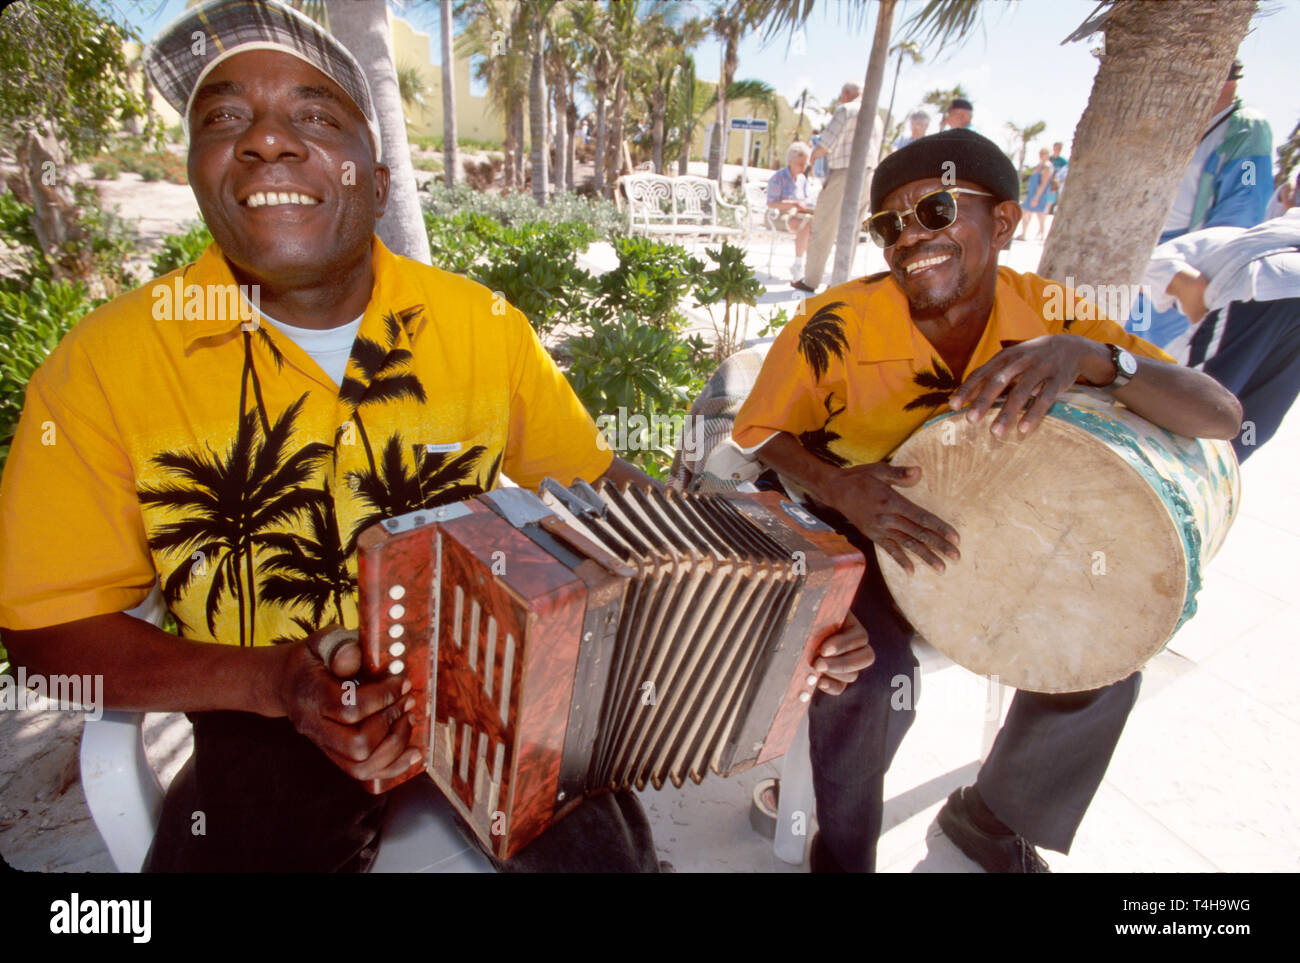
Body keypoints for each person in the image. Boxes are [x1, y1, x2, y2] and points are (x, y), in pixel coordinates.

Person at [0, 0, 671, 874]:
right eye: (225, 118)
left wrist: (761, 551)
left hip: (495, 691)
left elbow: (592, 477)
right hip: (261, 718)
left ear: (378, 178)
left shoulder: (484, 327)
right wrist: (271, 683)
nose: (267, 140)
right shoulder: (104, 365)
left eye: (315, 116)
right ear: (200, 171)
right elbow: (46, 637)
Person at [731, 129, 1242, 873]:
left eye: (935, 210)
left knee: (1110, 650)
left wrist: (1096, 360)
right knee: (861, 673)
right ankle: (838, 854)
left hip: (998, 527)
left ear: (1002, 223)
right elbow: (755, 437)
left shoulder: (1052, 313)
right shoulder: (832, 326)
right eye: (890, 226)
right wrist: (841, 485)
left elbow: (1220, 415)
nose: (911, 238)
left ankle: (990, 821)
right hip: (857, 521)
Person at [1142, 184, 1300, 462]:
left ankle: (1164, 471)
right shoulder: (1256, 234)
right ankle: (1219, 480)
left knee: (1190, 404)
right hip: (1280, 285)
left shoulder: (1171, 254)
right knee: (1256, 414)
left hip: (1265, 282)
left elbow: (1192, 288)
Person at [1132, 58, 1274, 348]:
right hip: (1150, 253)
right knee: (1133, 338)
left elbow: (1244, 206)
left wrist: (1206, 265)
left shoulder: (1246, 129)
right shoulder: (1179, 123)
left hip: (1190, 261)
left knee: (1161, 351)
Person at [795, 83, 882, 293]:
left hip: (844, 172)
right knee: (850, 232)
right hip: (868, 175)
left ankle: (810, 280)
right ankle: (838, 283)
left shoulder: (846, 110)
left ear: (845, 94)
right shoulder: (876, 117)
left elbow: (825, 144)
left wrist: (814, 157)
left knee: (823, 227)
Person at [767, 142, 817, 283]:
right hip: (778, 215)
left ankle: (808, 265)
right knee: (805, 224)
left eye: (805, 164)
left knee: (816, 226)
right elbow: (771, 203)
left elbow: (805, 200)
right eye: (800, 164)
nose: (803, 167)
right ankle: (798, 264)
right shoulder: (778, 177)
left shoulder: (802, 180)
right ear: (790, 161)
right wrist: (793, 204)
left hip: (797, 214)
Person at [1017, 149, 1054, 241]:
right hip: (1031, 194)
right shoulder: (1038, 166)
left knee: (1040, 216)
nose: (1041, 155)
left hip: (1039, 195)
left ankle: (1042, 236)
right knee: (1025, 213)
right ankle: (1024, 233)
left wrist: (1036, 197)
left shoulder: (1047, 168)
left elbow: (1043, 184)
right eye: (1040, 153)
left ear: (1048, 155)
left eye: (1044, 154)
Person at [1047, 141, 1069, 213]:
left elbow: (1066, 173)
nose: (1057, 150)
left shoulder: (1063, 161)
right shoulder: (1049, 159)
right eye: (1055, 148)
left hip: (1059, 182)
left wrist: (1060, 182)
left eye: (1059, 149)